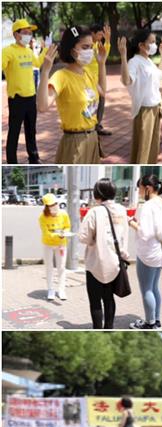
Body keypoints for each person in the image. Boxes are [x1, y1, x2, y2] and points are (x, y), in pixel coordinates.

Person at [37, 26, 107, 164]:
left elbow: (102, 92)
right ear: (72, 49)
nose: (90, 51)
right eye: (85, 47)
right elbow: (43, 106)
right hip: (74, 142)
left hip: (92, 137)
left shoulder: (87, 72)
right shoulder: (61, 76)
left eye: (91, 47)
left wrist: (102, 64)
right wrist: (45, 72)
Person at [78, 178, 129, 329]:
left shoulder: (94, 212)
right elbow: (124, 234)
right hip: (115, 263)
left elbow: (84, 237)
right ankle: (109, 328)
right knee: (109, 299)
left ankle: (97, 330)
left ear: (97, 194)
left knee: (95, 301)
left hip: (96, 263)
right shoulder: (121, 210)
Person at [3, 19, 47, 164]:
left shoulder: (28, 51)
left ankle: (33, 157)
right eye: (25, 33)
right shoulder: (8, 51)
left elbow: (38, 62)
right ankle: (11, 161)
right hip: (17, 99)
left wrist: (45, 49)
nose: (29, 36)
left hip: (30, 97)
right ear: (16, 35)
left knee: (31, 130)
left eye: (30, 33)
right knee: (14, 132)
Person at [118, 30, 162, 164]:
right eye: (152, 42)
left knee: (153, 147)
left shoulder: (148, 60)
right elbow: (126, 81)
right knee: (144, 148)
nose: (155, 45)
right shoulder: (134, 62)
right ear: (141, 45)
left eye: (155, 41)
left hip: (155, 109)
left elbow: (159, 74)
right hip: (144, 111)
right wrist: (123, 56)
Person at [128, 175, 162, 330]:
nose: (140, 192)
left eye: (140, 188)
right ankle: (156, 320)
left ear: (148, 188)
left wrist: (132, 223)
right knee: (154, 287)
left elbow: (146, 233)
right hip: (160, 252)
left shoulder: (148, 206)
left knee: (146, 289)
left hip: (148, 252)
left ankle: (149, 323)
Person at [38, 193, 70, 301]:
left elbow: (67, 226)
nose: (55, 206)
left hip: (61, 244)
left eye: (55, 203)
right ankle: (50, 289)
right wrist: (57, 234)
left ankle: (61, 290)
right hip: (48, 244)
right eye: (52, 204)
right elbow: (46, 233)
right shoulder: (42, 217)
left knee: (61, 267)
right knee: (49, 267)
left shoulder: (63, 214)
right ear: (47, 206)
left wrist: (64, 233)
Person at [89, 23, 112, 136]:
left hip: (99, 79)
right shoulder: (88, 46)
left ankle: (98, 125)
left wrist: (107, 41)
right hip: (89, 80)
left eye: (102, 35)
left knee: (101, 101)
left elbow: (104, 57)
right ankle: (90, 126)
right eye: (99, 34)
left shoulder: (98, 44)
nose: (100, 37)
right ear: (92, 33)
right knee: (92, 103)